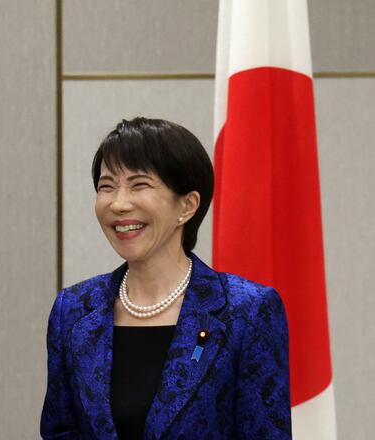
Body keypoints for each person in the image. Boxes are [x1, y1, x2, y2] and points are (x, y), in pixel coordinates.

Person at [40, 118, 291, 439]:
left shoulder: (246, 311)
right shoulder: (73, 310)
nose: (118, 203)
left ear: (187, 205)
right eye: (107, 186)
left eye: (139, 184)